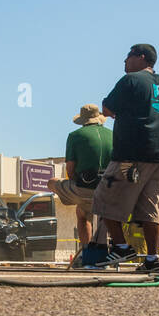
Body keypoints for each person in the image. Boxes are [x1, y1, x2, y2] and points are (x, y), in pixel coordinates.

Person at [92, 43, 159, 272]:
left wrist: (119, 114)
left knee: (102, 198)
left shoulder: (131, 80)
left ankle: (121, 247)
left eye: (128, 56)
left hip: (132, 155)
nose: (125, 61)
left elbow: (106, 108)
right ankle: (152, 258)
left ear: (141, 57)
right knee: (150, 208)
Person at [49, 103, 113, 267]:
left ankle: (86, 252)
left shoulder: (75, 136)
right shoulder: (112, 135)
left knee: (53, 183)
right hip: (108, 189)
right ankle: (98, 254)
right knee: (93, 213)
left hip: (84, 188)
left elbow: (70, 170)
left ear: (83, 120)